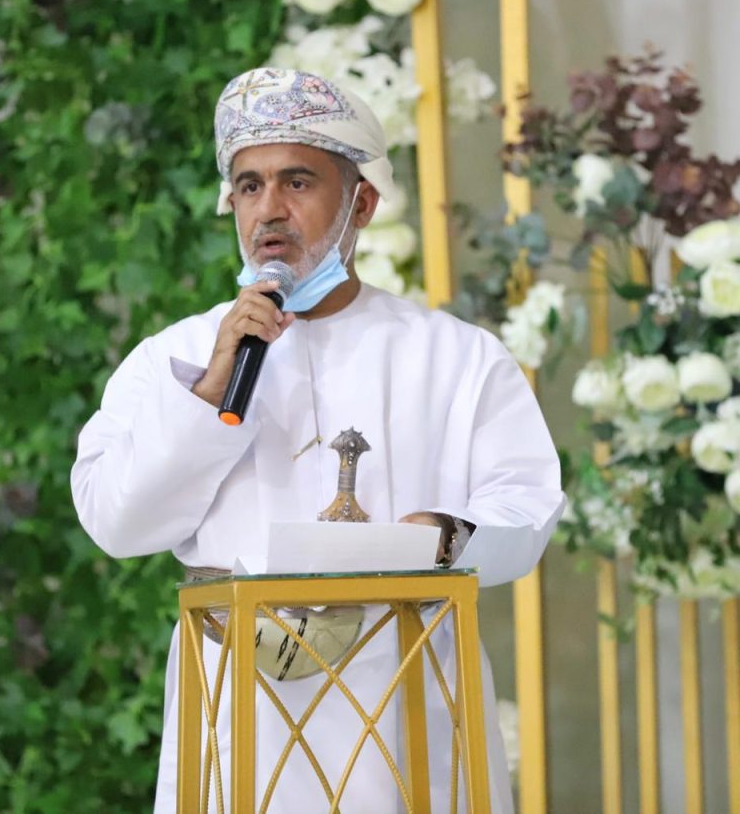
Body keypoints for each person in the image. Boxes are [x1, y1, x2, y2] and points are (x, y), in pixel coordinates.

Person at [72, 68, 565, 813]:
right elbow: (117, 523)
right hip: (243, 711)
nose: (269, 208)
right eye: (249, 186)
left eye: (297, 182)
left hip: (404, 704)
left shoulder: (456, 356)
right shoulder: (175, 359)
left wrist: (448, 535)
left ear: (360, 202)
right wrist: (210, 392)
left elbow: (526, 509)